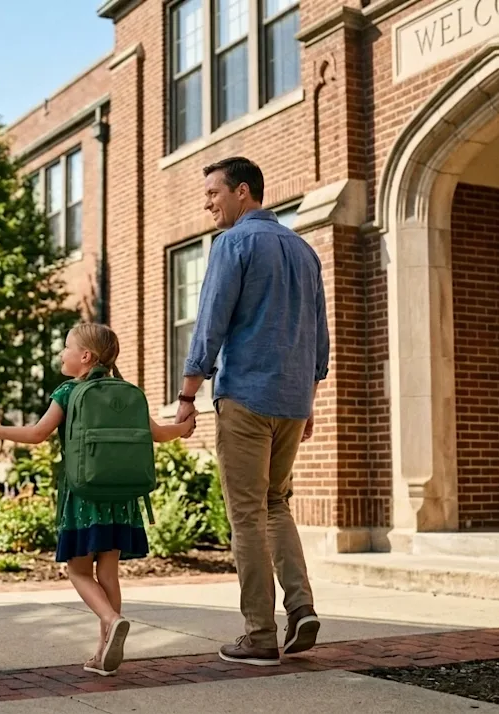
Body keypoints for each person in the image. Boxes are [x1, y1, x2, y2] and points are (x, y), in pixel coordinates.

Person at [174, 156, 330, 666]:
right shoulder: (306, 252)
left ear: (244, 192)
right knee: (275, 503)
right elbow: (319, 337)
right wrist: (307, 399)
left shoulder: (233, 244)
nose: (207, 203)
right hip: (291, 400)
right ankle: (301, 605)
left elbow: (211, 320)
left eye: (214, 193)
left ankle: (260, 635)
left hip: (246, 397)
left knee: (245, 515)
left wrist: (188, 390)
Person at [0, 323, 195, 676]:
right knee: (108, 571)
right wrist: (184, 428)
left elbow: (37, 433)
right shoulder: (126, 392)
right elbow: (157, 433)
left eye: (66, 347)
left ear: (86, 357)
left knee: (77, 570)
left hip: (83, 495)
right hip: (122, 497)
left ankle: (111, 619)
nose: (62, 353)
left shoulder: (67, 392)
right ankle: (103, 650)